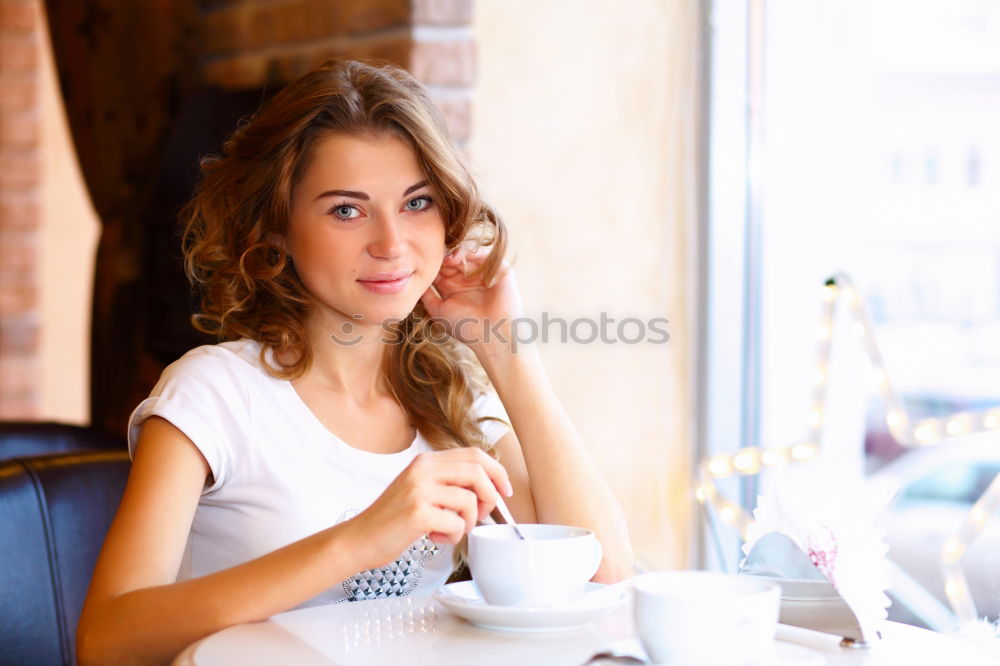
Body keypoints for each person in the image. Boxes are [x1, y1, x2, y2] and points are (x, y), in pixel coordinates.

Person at [77, 58, 633, 665]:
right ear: (279, 229)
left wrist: (506, 352)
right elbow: (106, 642)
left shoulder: (447, 396)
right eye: (347, 209)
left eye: (417, 203)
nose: (391, 244)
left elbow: (600, 573)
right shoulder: (211, 394)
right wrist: (359, 540)